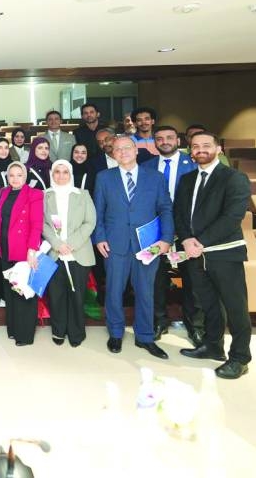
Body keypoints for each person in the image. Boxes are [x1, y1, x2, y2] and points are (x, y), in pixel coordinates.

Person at [174, 133, 253, 379]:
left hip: (224, 253)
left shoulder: (234, 178)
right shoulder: (187, 179)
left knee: (235, 306)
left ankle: (240, 358)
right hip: (195, 253)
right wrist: (187, 239)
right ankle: (213, 345)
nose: (200, 150)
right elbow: (180, 213)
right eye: (195, 147)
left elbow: (232, 217)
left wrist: (200, 241)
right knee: (208, 305)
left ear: (218, 149)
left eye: (206, 146)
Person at [93, 136, 174, 360]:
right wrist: (99, 237)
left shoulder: (155, 178)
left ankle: (145, 336)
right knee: (114, 290)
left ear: (136, 150)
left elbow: (165, 208)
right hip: (114, 243)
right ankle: (116, 333)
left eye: (127, 148)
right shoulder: (104, 178)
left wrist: (166, 238)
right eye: (117, 149)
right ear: (113, 154)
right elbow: (98, 210)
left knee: (145, 291)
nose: (123, 152)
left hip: (148, 245)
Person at [141, 125, 202, 344]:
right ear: (155, 142)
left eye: (169, 137)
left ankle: (194, 324)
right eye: (159, 138)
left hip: (188, 230)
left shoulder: (193, 165)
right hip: (156, 231)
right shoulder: (146, 166)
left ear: (178, 140)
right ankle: (158, 320)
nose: (164, 141)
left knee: (192, 277)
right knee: (156, 278)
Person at [41, 160, 97, 348]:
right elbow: (42, 223)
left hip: (78, 252)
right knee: (56, 295)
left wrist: (70, 244)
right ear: (52, 174)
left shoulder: (82, 195)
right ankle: (58, 330)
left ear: (71, 174)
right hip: (54, 253)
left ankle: (76, 332)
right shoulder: (45, 196)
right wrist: (57, 244)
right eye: (57, 171)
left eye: (65, 172)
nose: (61, 175)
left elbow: (90, 222)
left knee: (77, 295)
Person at [0, 162, 44, 346]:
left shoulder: (34, 194)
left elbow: (36, 224)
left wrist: (32, 250)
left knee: (23, 292)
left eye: (19, 175)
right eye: (11, 175)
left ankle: (25, 334)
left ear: (25, 177)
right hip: (6, 248)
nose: (15, 178)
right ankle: (13, 329)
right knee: (10, 290)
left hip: (24, 250)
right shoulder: (4, 192)